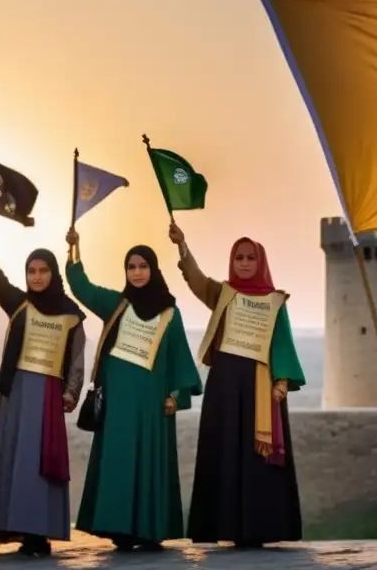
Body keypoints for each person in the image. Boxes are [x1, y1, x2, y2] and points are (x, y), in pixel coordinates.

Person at [64, 227, 202, 551]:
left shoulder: (170, 312)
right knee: (119, 460)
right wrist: (74, 249)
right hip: (119, 404)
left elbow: (179, 357)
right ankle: (120, 530)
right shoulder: (115, 303)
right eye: (131, 266)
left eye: (142, 266)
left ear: (153, 269)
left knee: (150, 461)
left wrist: (177, 396)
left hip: (153, 403)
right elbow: (81, 287)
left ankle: (149, 531)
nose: (137, 272)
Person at [169, 223, 305, 547]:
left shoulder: (275, 301)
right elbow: (197, 280)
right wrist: (182, 246)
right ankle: (224, 525)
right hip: (225, 386)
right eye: (239, 257)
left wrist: (282, 381)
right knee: (225, 448)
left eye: (250, 258)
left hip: (260, 386)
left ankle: (258, 529)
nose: (244, 263)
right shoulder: (222, 294)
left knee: (257, 457)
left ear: (261, 262)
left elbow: (282, 342)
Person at [0, 235, 87, 557]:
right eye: (31, 271)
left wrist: (71, 392)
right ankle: (20, 529)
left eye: (43, 270)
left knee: (40, 462)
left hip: (48, 395)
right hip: (18, 393)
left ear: (53, 273)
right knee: (16, 460)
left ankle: (42, 532)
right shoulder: (20, 304)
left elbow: (77, 356)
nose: (36, 276)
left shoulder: (70, 314)